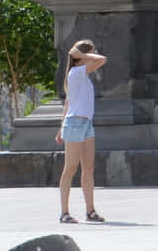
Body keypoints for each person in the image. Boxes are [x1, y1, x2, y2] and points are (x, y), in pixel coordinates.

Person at [56, 39, 107, 225]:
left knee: (88, 168)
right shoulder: (77, 72)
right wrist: (80, 55)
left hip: (86, 123)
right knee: (70, 168)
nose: (93, 55)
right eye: (91, 52)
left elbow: (68, 102)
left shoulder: (81, 76)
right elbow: (102, 60)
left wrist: (60, 128)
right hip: (76, 123)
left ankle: (90, 210)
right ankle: (64, 212)